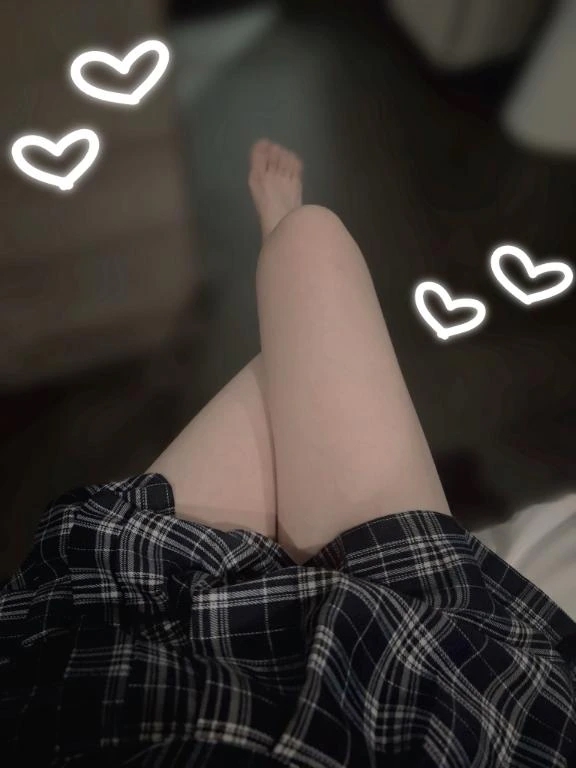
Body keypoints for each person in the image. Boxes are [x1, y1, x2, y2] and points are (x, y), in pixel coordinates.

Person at [0, 140, 575, 767]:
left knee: (305, 298)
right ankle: (285, 264)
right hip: (407, 700)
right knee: (309, 260)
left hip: (100, 664)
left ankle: (285, 272)